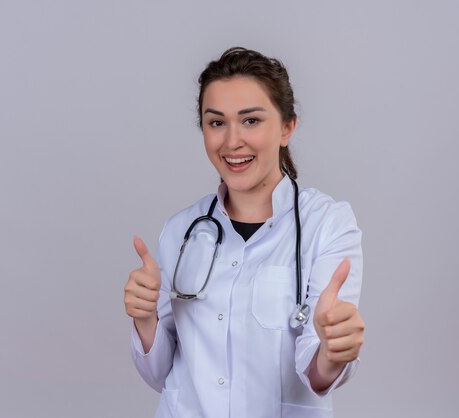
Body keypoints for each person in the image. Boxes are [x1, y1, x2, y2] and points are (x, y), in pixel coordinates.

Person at [124, 47, 365, 418]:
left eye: (251, 121)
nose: (232, 141)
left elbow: (317, 375)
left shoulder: (327, 225)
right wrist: (145, 320)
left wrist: (333, 353)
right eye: (216, 123)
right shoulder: (180, 232)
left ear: (287, 128)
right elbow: (159, 375)